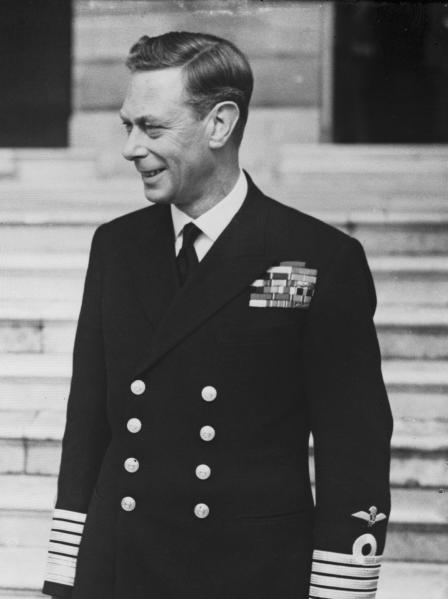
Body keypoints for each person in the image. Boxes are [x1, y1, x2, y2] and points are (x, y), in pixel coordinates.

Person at [42, 32, 392, 599]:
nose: (131, 148)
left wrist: (340, 592)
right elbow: (87, 426)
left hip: (247, 574)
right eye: (127, 126)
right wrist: (64, 575)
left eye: (152, 128)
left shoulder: (316, 257)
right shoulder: (116, 246)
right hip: (119, 567)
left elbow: (353, 450)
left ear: (221, 125)